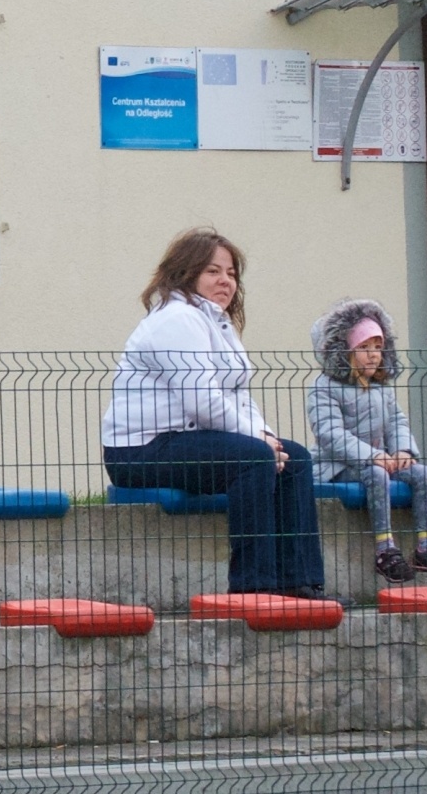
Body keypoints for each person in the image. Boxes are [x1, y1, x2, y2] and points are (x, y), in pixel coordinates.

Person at [102, 227, 334, 601]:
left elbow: (239, 397)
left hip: (187, 440)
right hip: (140, 452)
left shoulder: (216, 323)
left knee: (295, 459)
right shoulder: (177, 319)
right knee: (253, 457)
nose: (225, 281)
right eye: (213, 271)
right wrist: (258, 443)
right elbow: (203, 401)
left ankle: (300, 582)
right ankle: (254, 587)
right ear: (186, 272)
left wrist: (268, 437)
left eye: (231, 273)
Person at [306, 299, 427, 584]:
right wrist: (372, 456)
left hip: (381, 459)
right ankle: (385, 550)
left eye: (378, 348)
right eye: (364, 348)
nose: (373, 356)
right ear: (345, 351)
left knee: (424, 474)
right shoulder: (323, 387)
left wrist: (402, 450)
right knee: (376, 474)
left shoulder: (381, 388)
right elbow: (330, 433)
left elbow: (396, 422)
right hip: (335, 465)